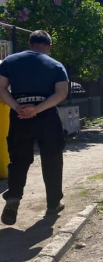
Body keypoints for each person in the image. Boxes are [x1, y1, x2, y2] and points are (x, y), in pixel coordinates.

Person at [0, 30, 69, 225]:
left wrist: (17, 107)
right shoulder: (56, 65)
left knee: (18, 160)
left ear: (30, 44)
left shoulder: (10, 61)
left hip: (19, 115)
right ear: (48, 46)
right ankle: (53, 204)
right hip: (47, 117)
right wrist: (37, 109)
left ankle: (13, 199)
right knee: (52, 159)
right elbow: (61, 93)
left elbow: (1, 87)